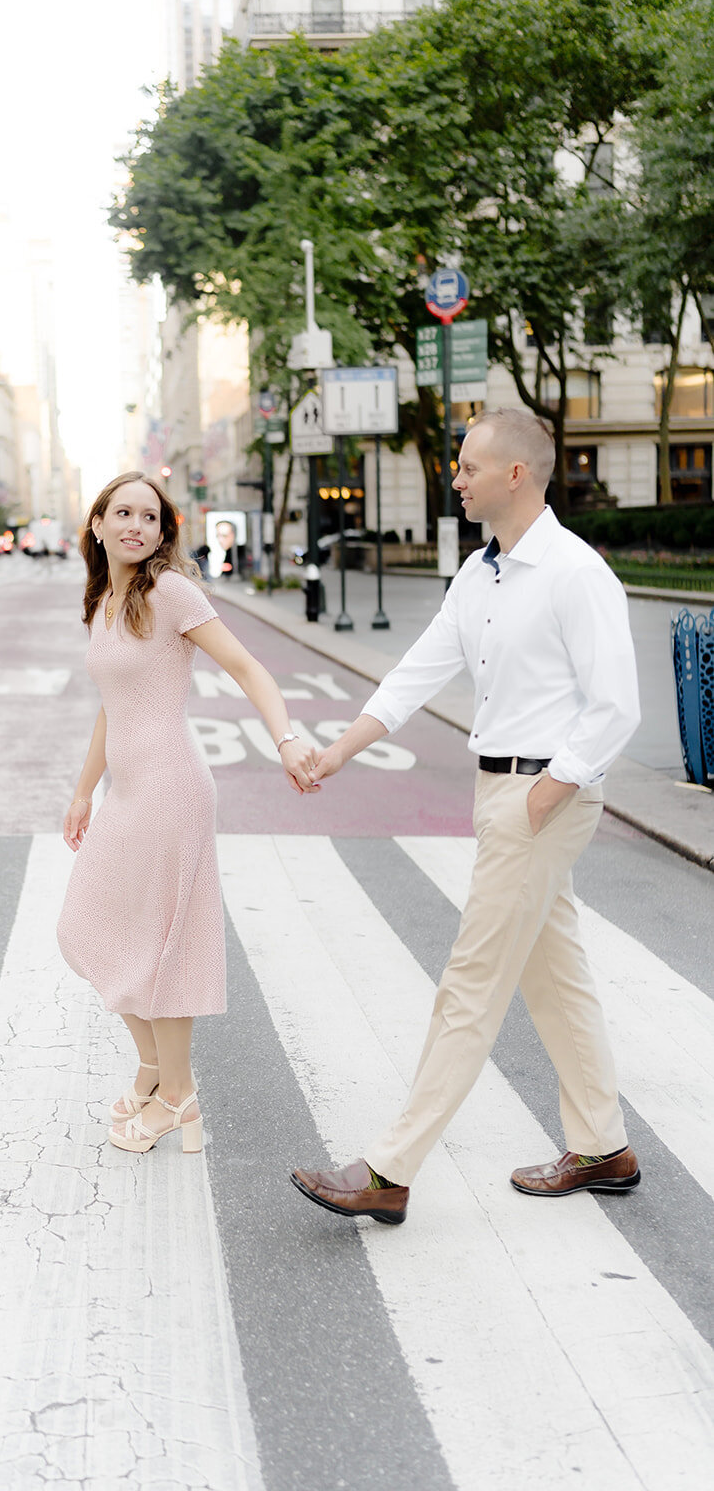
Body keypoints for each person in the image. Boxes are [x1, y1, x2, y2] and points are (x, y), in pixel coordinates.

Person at [291, 408, 642, 1226]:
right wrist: (338, 751)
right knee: (555, 980)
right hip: (502, 793)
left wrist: (550, 789)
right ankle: (603, 1146)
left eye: (467, 467)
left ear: (514, 474)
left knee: (468, 986)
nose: (455, 478)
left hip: (539, 797)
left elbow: (613, 705)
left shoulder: (572, 571)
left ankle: (388, 1167)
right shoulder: (480, 574)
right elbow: (418, 672)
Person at [57, 470, 319, 1155]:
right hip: (128, 791)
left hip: (172, 789)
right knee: (86, 926)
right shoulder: (104, 600)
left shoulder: (170, 592)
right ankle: (157, 1075)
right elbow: (110, 710)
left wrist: (285, 738)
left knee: (161, 948)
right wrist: (85, 790)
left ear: (163, 531)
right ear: (98, 524)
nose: (134, 526)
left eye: (149, 517)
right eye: (122, 513)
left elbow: (247, 668)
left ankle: (176, 1098)